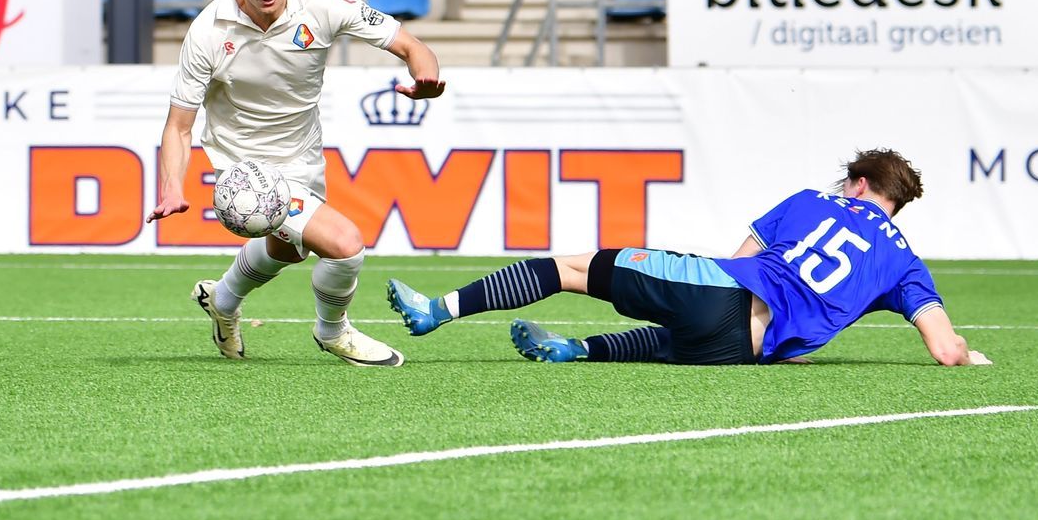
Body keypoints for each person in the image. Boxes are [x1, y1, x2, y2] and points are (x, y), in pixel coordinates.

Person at [152, 0, 446, 367]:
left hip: (302, 153)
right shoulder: (208, 31)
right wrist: (173, 185)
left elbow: (411, 46)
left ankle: (222, 300)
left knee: (285, 251)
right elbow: (179, 126)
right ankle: (333, 331)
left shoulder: (325, 2)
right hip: (244, 166)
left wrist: (426, 76)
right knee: (345, 245)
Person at [387, 149, 990, 368]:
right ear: (895, 203)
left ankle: (437, 310)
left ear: (858, 183)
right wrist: (969, 356)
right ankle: (574, 349)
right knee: (665, 341)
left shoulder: (814, 200)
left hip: (727, 292)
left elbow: (740, 258)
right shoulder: (906, 264)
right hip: (745, 353)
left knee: (572, 268)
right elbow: (944, 348)